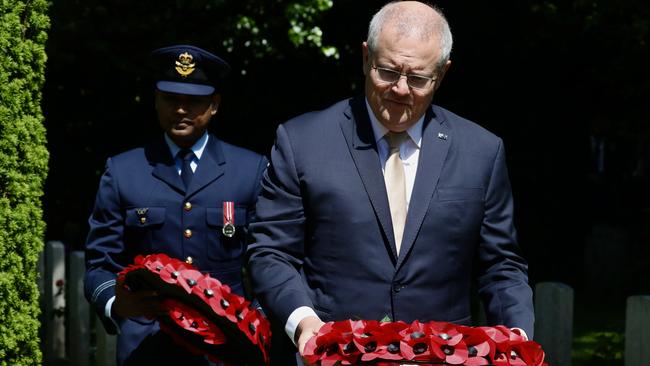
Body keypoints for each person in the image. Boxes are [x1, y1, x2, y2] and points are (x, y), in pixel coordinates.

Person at [246, 1, 534, 363]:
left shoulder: (481, 151)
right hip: (333, 356)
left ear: (442, 75)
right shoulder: (303, 141)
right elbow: (271, 252)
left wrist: (516, 338)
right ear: (366, 58)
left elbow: (500, 265)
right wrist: (305, 324)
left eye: (417, 79)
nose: (400, 89)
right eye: (387, 71)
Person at [84, 44, 268, 366]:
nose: (181, 110)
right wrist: (117, 303)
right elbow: (99, 262)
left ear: (214, 105)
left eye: (193, 101)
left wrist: (257, 319)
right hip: (147, 345)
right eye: (171, 99)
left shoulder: (249, 171)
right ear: (156, 101)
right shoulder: (124, 171)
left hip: (226, 345)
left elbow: (269, 258)